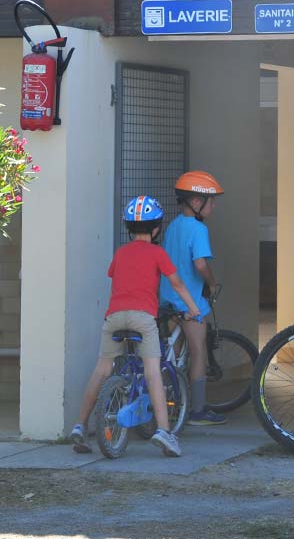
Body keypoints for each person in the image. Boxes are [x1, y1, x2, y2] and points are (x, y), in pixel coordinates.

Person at [71, 196, 201, 457]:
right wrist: (193, 308)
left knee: (102, 369)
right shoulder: (157, 252)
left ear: (129, 228)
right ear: (156, 228)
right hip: (143, 318)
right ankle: (164, 431)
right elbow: (176, 283)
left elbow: (114, 275)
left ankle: (80, 425)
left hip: (114, 317)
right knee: (153, 370)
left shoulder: (120, 252)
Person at [160, 170, 226, 425]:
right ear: (197, 202)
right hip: (190, 302)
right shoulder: (198, 229)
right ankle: (197, 410)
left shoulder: (174, 225)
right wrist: (212, 282)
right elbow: (200, 264)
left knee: (173, 355)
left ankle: (172, 406)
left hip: (168, 298)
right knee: (198, 352)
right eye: (211, 200)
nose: (214, 205)